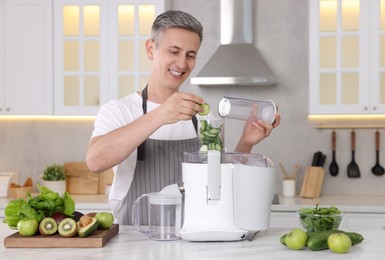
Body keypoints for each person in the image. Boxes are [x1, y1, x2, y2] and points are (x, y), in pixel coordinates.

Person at [86, 10, 280, 225]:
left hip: (192, 233)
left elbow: (220, 180)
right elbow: (95, 161)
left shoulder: (202, 116)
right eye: (174, 51)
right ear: (151, 49)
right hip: (134, 238)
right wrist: (160, 115)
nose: (182, 64)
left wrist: (246, 142)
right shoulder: (119, 111)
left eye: (190, 55)